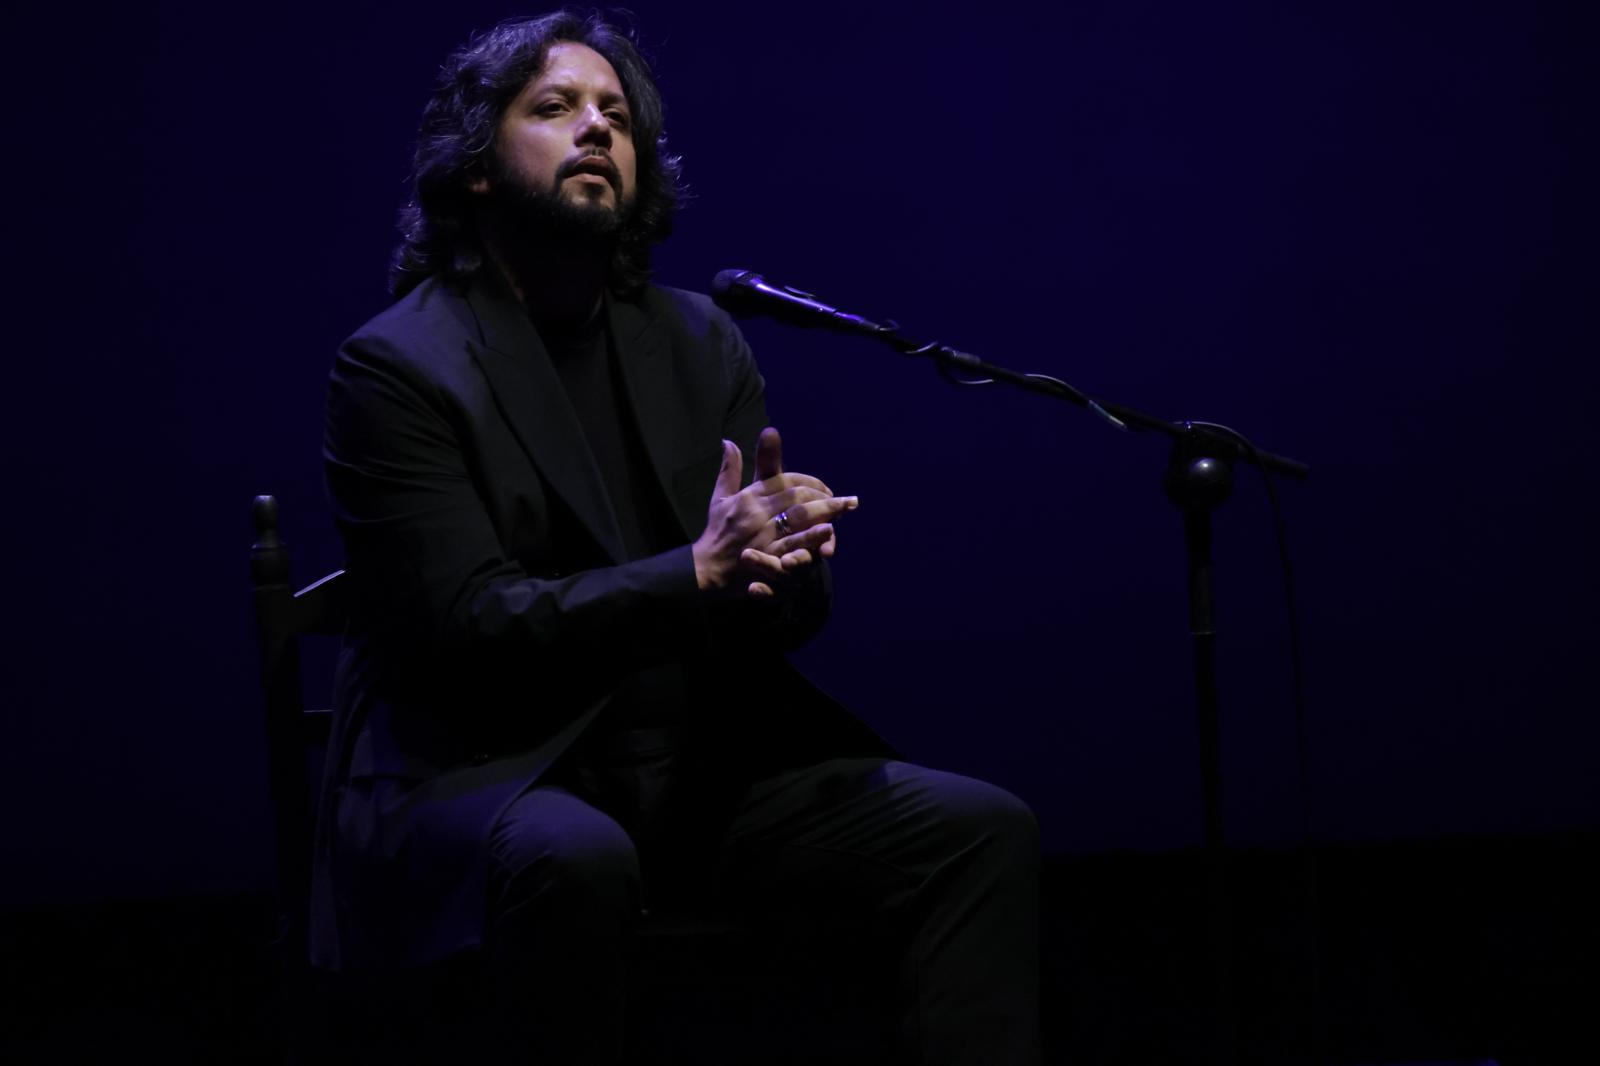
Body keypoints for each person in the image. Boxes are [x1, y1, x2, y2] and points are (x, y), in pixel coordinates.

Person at [310, 10, 1041, 1063]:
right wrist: (694, 573)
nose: (596, 128)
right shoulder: (397, 367)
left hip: (689, 774)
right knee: (576, 857)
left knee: (981, 830)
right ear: (474, 166)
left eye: (615, 113)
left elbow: (777, 613)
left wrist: (781, 561)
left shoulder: (699, 336)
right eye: (554, 108)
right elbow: (462, 629)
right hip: (481, 777)